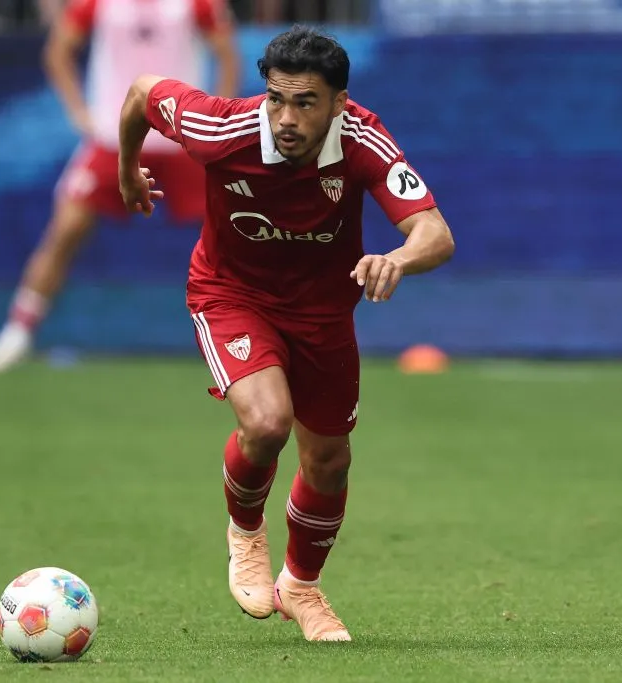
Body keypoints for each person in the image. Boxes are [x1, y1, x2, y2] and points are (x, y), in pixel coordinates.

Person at [117, 26, 455, 641]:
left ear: (339, 104)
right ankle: (246, 534)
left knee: (329, 459)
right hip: (231, 295)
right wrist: (127, 170)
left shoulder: (362, 139)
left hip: (322, 312)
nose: (286, 117)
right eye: (276, 98)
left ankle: (301, 587)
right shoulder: (221, 129)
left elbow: (435, 232)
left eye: (305, 102)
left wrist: (398, 259)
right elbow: (143, 92)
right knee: (268, 423)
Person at [0, 0, 239, 373]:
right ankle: (18, 331)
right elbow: (58, 51)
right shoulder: (97, 3)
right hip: (114, 139)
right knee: (66, 229)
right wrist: (79, 112)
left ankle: (263, 330)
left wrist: (214, 119)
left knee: (235, 233)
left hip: (182, 140)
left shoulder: (196, 4)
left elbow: (227, 54)